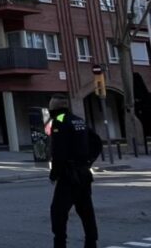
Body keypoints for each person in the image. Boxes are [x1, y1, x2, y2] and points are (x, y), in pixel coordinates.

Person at [48, 94, 101, 248]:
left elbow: (59, 151)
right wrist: (88, 162)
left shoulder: (59, 121)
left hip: (68, 174)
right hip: (84, 172)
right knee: (86, 210)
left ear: (55, 108)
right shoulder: (79, 120)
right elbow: (96, 142)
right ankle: (91, 242)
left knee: (58, 211)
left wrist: (54, 174)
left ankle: (60, 243)